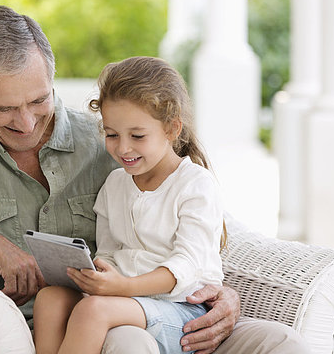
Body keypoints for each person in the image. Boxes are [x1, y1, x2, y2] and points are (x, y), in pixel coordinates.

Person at [0, 5, 309, 353]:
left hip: (141, 307)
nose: (25, 122)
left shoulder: (108, 144)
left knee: (282, 342)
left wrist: (223, 293)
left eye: (38, 100)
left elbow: (193, 228)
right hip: (44, 329)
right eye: (4, 108)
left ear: (52, 75)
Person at [33, 56, 226, 354]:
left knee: (93, 311)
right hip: (124, 300)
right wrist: (96, 275)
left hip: (183, 310)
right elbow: (110, 251)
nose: (123, 148)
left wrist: (120, 287)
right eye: (111, 135)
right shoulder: (115, 184)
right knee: (50, 299)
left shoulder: (195, 184)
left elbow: (186, 266)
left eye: (137, 136)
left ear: (172, 129)